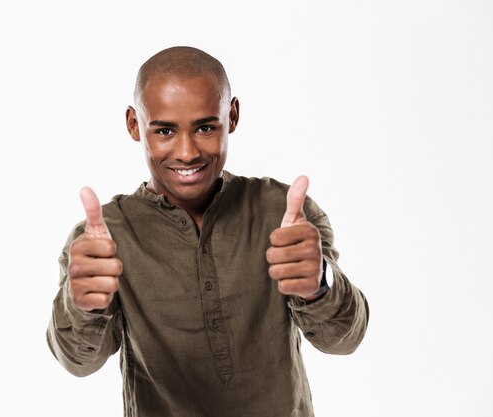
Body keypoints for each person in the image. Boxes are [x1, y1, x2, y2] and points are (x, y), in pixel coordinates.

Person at [46, 46, 369, 417]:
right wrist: (82, 304)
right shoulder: (102, 238)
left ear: (231, 116)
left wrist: (320, 282)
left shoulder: (283, 213)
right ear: (135, 125)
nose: (186, 152)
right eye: (164, 130)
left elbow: (343, 339)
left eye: (204, 127)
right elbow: (77, 362)